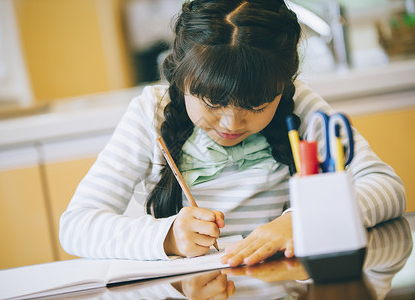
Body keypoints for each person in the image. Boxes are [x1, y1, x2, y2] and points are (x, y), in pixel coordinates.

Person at [59, 0, 405, 267]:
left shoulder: (302, 107)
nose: (231, 124)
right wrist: (167, 238)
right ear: (181, 78)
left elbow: (386, 187)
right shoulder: (149, 114)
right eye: (211, 102)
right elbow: (76, 226)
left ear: (283, 87)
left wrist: (301, 222)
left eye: (256, 107)